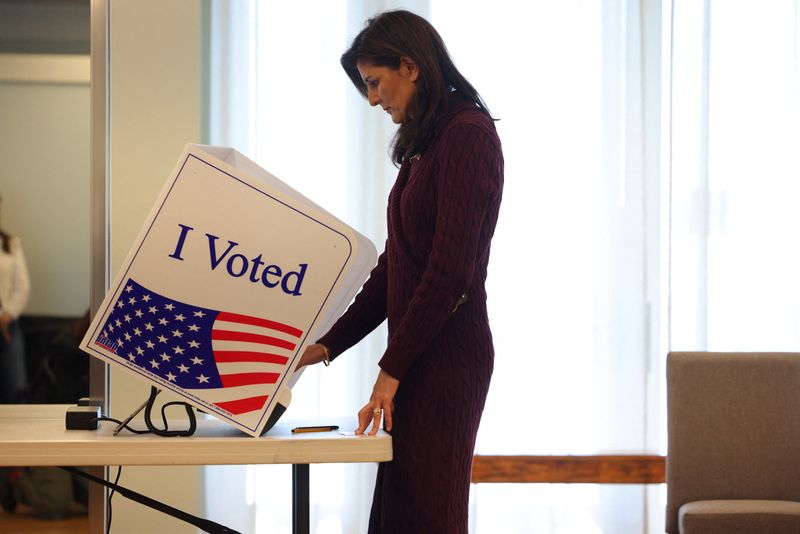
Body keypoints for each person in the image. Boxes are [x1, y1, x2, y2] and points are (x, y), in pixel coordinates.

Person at [298, 9, 504, 533]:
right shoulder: (428, 142)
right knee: (397, 515)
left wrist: (390, 368)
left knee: (427, 515)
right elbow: (398, 265)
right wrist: (326, 345)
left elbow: (450, 272)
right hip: (417, 357)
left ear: (409, 67)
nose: (372, 99)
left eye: (375, 82)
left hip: (448, 359)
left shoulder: (468, 135)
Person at [0, 195, 31, 404]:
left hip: (7, 325)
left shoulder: (10, 243)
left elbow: (23, 286)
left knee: (16, 389)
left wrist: (6, 315)